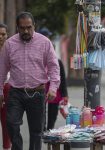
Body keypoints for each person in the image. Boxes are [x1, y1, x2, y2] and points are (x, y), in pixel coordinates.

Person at [0, 12, 60, 150]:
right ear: (17, 28)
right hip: (16, 92)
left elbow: (53, 67)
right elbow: (2, 69)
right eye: (22, 28)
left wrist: (53, 88)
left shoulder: (45, 43)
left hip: (37, 92)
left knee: (36, 132)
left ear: (34, 26)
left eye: (29, 27)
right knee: (11, 123)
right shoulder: (9, 44)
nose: (26, 31)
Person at [39, 28, 68, 129]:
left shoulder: (58, 62)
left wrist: (65, 94)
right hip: (42, 87)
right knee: (41, 111)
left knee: (53, 112)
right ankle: (42, 129)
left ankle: (50, 128)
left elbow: (63, 79)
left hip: (55, 88)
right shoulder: (39, 58)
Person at [0, 23, 11, 150]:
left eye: (3, 34)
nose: (1, 37)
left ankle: (6, 148)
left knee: (7, 123)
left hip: (8, 89)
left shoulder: (11, 50)